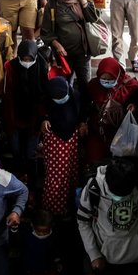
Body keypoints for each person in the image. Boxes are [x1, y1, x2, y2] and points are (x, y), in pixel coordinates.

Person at [40, 0, 100, 97]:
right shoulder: (52, 5)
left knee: (85, 85)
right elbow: (46, 31)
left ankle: (85, 111)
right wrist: (56, 45)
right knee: (66, 84)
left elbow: (93, 18)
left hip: (83, 52)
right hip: (64, 54)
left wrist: (83, 0)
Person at [3, 40, 48, 198]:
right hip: (14, 117)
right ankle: (17, 182)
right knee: (16, 151)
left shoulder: (41, 67)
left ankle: (33, 186)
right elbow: (8, 96)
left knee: (30, 153)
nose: (27, 63)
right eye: (24, 59)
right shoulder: (10, 67)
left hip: (34, 119)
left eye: (30, 59)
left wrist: (43, 118)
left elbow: (43, 96)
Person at [84, 57, 138, 165]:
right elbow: (85, 104)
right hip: (99, 131)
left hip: (120, 132)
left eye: (110, 79)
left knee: (119, 162)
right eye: (104, 78)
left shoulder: (130, 85)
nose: (106, 82)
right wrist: (83, 122)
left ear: (117, 76)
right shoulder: (93, 85)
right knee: (95, 158)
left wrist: (134, 105)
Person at [40, 76, 86, 216]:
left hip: (72, 140)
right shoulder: (46, 99)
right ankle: (54, 210)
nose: (61, 100)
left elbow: (82, 113)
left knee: (70, 172)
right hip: (55, 141)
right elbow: (42, 113)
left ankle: (68, 204)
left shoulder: (75, 96)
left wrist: (83, 123)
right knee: (57, 176)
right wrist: (44, 119)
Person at [21, 210, 64, 275]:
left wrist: (58, 261)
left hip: (50, 271)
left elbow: (56, 250)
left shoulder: (54, 235)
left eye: (46, 231)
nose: (43, 233)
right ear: (32, 226)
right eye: (39, 231)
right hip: (34, 274)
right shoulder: (27, 236)